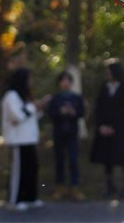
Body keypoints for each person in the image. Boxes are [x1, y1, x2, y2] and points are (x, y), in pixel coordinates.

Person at [1, 67, 50, 211]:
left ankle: (30, 197)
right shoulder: (11, 96)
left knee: (32, 169)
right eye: (29, 78)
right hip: (18, 140)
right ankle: (15, 200)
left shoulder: (25, 97)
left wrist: (39, 107)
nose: (31, 82)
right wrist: (33, 107)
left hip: (29, 139)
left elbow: (30, 115)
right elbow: (18, 116)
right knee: (19, 171)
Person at [89, 59, 124, 198]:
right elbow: (99, 109)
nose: (107, 74)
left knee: (122, 156)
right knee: (107, 158)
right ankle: (110, 186)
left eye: (109, 72)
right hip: (104, 128)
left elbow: (123, 111)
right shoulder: (104, 88)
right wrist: (101, 126)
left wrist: (114, 127)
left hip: (119, 130)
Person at [47, 70, 85, 200]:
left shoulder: (76, 97)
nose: (65, 83)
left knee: (73, 160)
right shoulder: (55, 98)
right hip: (58, 133)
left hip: (72, 133)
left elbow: (81, 113)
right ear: (59, 83)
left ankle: (75, 187)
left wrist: (73, 112)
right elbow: (50, 114)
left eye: (68, 81)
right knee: (59, 161)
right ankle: (59, 187)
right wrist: (60, 112)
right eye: (63, 80)